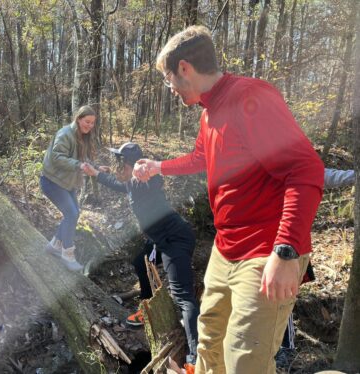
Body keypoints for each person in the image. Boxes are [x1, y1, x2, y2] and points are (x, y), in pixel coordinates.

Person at [133, 26, 324, 373]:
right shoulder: (210, 113)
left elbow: (306, 170)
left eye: (168, 78)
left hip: (265, 252)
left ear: (185, 68)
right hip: (225, 249)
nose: (170, 88)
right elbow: (200, 158)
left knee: (244, 361)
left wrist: (286, 251)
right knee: (209, 346)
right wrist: (158, 166)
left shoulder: (250, 97)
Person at [82, 142, 199, 372]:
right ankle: (146, 311)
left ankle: (195, 357)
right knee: (139, 262)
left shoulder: (145, 181)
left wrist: (147, 171)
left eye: (120, 162)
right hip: (159, 240)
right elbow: (117, 185)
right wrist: (95, 173)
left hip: (176, 240)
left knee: (182, 296)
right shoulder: (130, 184)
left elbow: (154, 179)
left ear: (129, 164)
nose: (117, 166)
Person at [276, 167, 356, 369]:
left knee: (282, 300)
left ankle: (286, 348)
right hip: (258, 247)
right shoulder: (257, 169)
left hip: (291, 249)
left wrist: (356, 174)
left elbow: (329, 176)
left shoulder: (296, 166)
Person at [40, 105, 96, 271]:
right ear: (79, 119)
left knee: (73, 214)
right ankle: (67, 254)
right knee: (71, 213)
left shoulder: (82, 136)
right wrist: (79, 165)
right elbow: (57, 157)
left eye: (93, 123)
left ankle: (54, 245)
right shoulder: (65, 133)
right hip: (52, 181)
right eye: (87, 122)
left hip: (67, 183)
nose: (90, 126)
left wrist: (96, 168)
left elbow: (82, 159)